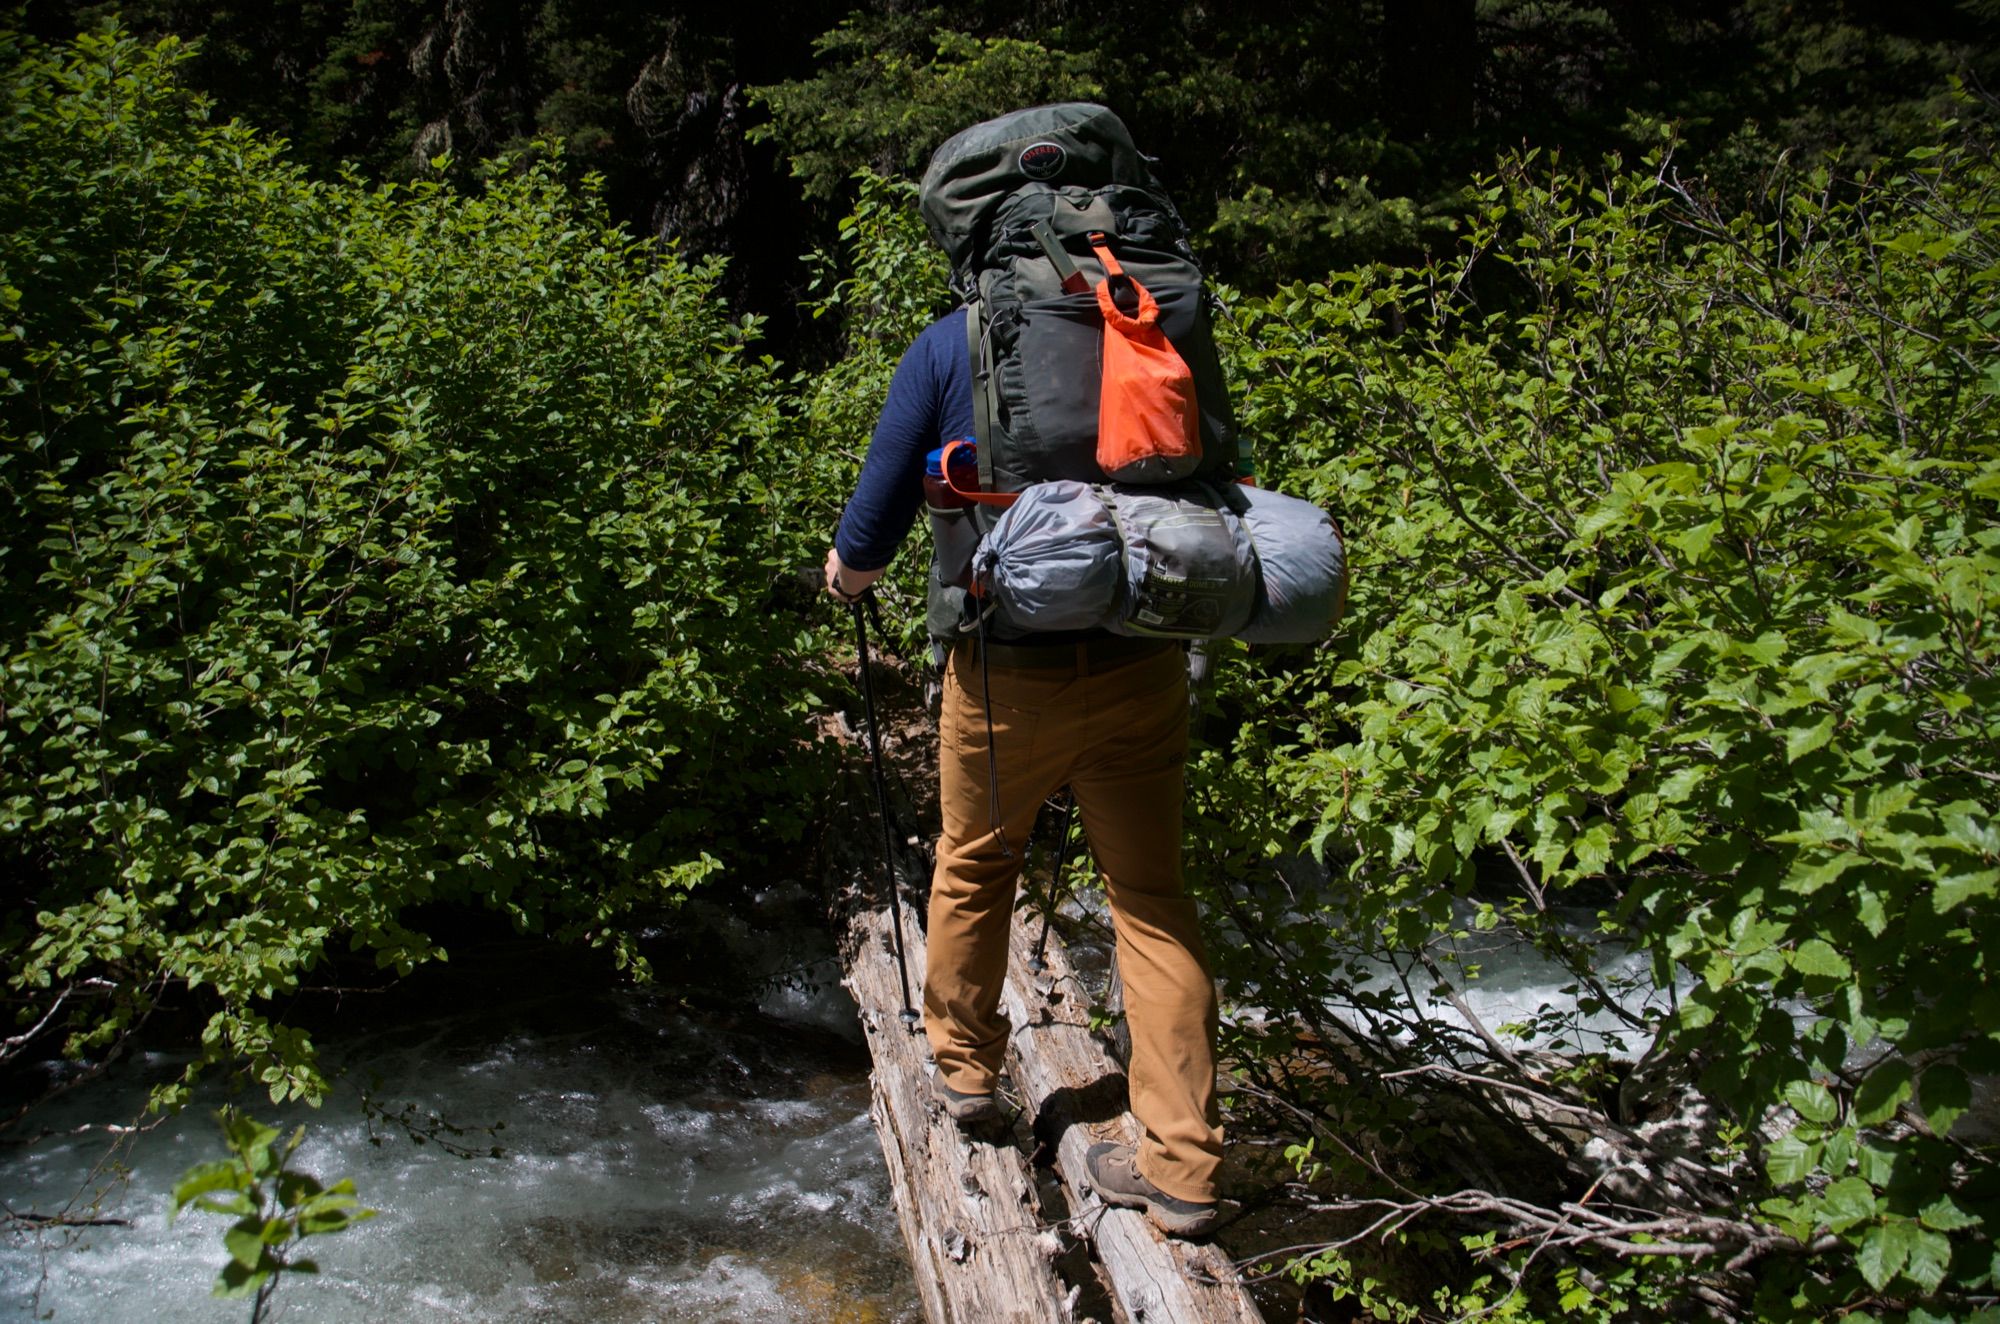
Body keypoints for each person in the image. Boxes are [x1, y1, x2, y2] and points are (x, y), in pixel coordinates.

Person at [823, 303, 1224, 1238]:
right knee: (1153, 901)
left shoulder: (950, 343)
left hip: (1007, 673)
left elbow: (873, 520)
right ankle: (1185, 1169)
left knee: (975, 861)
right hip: (1141, 661)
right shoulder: (1155, 323)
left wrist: (844, 577)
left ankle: (965, 1076)